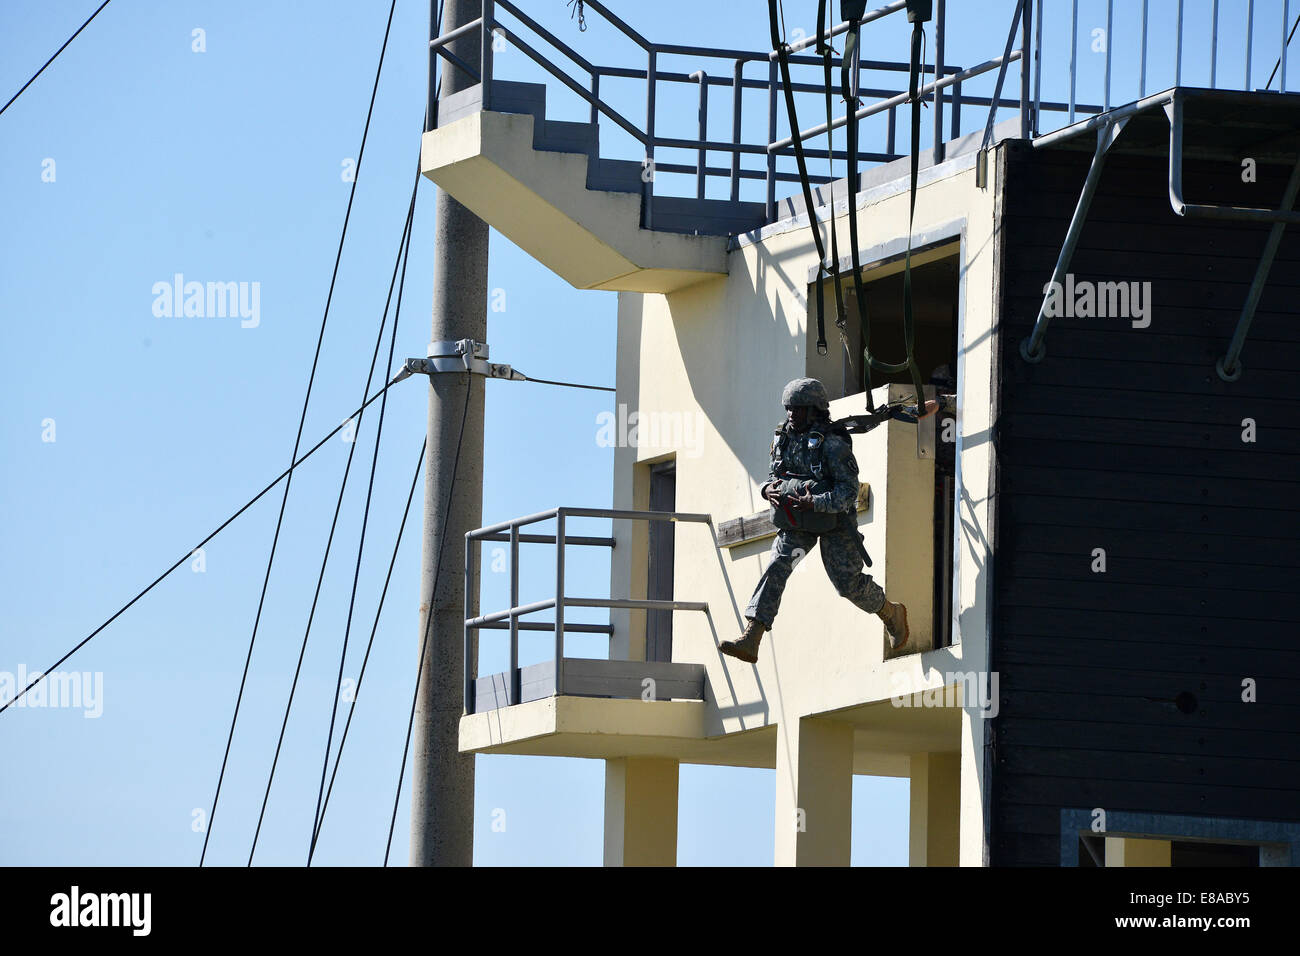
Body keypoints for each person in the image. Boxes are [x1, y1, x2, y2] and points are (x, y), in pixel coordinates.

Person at [720, 377, 910, 664]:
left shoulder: (833, 444)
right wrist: (766, 489)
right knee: (777, 567)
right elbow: (775, 474)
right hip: (796, 521)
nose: (792, 415)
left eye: (799, 409)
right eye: (789, 408)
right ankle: (752, 637)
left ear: (815, 410)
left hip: (834, 522)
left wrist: (816, 502)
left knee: (847, 584)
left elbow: (848, 493)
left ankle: (890, 612)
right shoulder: (782, 436)